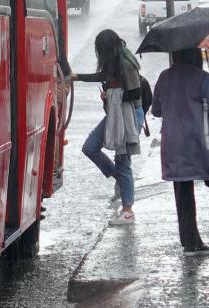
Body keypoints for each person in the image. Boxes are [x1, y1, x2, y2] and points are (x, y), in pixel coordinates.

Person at [151, 48, 209, 257]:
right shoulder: (203, 78)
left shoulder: (164, 77)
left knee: (183, 190)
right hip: (199, 141)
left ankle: (190, 243)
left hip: (173, 142)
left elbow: (156, 110)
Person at [71, 29, 144, 225]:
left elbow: (135, 94)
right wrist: (78, 77)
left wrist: (111, 94)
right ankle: (117, 178)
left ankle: (128, 211)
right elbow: (103, 76)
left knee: (123, 160)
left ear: (106, 48)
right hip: (116, 114)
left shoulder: (125, 63)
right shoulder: (115, 61)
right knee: (90, 147)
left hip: (129, 116)